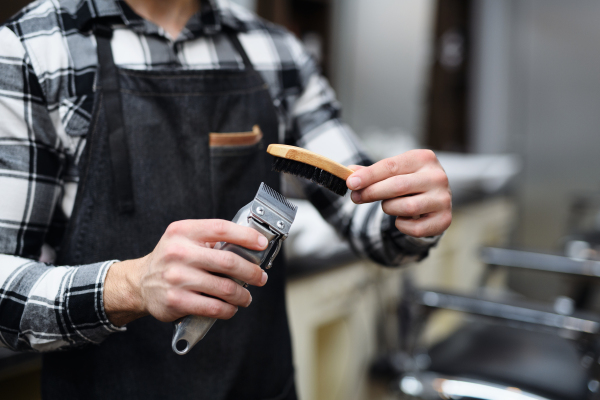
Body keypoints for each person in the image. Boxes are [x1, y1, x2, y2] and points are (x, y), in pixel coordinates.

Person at [0, 0, 452, 398]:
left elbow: (373, 223)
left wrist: (411, 211)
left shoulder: (275, 51)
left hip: (261, 383)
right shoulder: (35, 47)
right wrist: (131, 285)